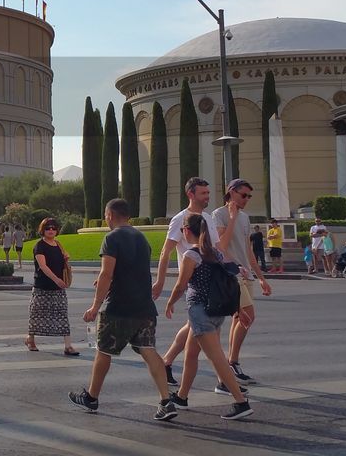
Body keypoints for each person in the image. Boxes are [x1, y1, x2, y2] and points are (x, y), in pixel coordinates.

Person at [69, 199, 177, 421]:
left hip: (119, 307)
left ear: (109, 215)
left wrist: (95, 306)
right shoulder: (141, 238)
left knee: (104, 350)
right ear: (128, 215)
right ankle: (166, 401)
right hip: (145, 307)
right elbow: (131, 271)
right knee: (148, 350)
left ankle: (92, 397)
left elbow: (106, 273)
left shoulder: (112, 238)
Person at [164, 212, 253, 420]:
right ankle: (182, 397)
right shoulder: (215, 253)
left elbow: (181, 285)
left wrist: (170, 302)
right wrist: (239, 309)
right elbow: (229, 282)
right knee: (191, 354)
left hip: (199, 310)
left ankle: (241, 402)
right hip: (216, 310)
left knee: (217, 358)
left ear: (186, 231)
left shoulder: (191, 255)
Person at [151, 177, 216, 388]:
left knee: (194, 328)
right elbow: (166, 251)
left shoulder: (208, 217)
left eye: (208, 193)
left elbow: (216, 249)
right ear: (190, 194)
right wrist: (160, 281)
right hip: (194, 283)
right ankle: (224, 378)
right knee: (205, 331)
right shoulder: (181, 219)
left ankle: (166, 362)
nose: (207, 197)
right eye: (203, 193)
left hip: (212, 281)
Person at [210, 179, 272, 387]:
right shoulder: (219, 215)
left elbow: (248, 251)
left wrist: (261, 278)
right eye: (243, 195)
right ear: (231, 193)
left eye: (249, 196)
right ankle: (232, 363)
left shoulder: (245, 218)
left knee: (240, 319)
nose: (246, 199)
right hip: (231, 273)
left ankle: (232, 363)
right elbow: (222, 246)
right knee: (248, 317)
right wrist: (232, 218)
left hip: (246, 274)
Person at [27, 218, 78, 356]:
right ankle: (30, 339)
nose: (51, 230)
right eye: (48, 228)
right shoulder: (39, 246)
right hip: (42, 286)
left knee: (62, 315)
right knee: (37, 314)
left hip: (58, 287)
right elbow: (43, 266)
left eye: (53, 228)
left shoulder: (58, 245)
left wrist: (66, 259)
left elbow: (60, 265)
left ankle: (68, 346)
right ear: (42, 230)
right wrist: (56, 279)